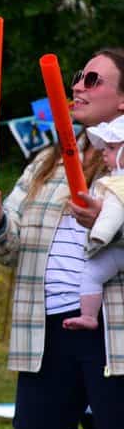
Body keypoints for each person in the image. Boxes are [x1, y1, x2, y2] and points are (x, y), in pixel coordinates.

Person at [0, 49, 124, 429]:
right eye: (77, 77)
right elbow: (10, 245)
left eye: (93, 79)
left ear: (122, 99)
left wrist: (110, 224)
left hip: (112, 334)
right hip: (46, 332)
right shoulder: (48, 160)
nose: (77, 86)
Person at [64, 118, 124, 331]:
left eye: (111, 147)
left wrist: (99, 234)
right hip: (114, 254)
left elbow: (112, 213)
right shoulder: (112, 179)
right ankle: (88, 315)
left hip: (106, 241)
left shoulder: (119, 185)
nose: (104, 153)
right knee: (91, 274)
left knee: (113, 207)